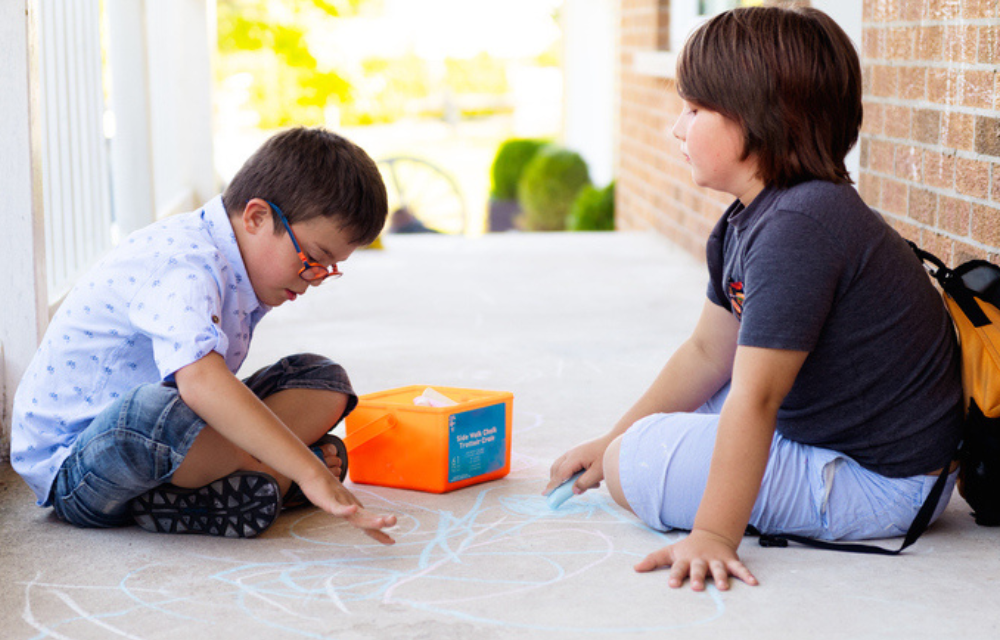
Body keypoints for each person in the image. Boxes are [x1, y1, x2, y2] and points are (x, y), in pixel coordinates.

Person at [545, 6, 963, 591]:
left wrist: (715, 533)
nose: (676, 127)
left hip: (884, 482)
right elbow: (706, 354)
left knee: (634, 464)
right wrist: (607, 437)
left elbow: (757, 396)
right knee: (638, 436)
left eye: (693, 110)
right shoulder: (747, 220)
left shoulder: (803, 225)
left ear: (759, 120)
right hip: (827, 430)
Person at [12, 127, 398, 543]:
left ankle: (247, 480)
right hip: (83, 467)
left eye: (329, 268)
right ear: (256, 217)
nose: (317, 279)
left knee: (322, 378)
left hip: (174, 441)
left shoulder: (238, 262)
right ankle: (279, 474)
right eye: (314, 259)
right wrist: (309, 470)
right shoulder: (185, 262)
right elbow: (199, 384)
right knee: (156, 412)